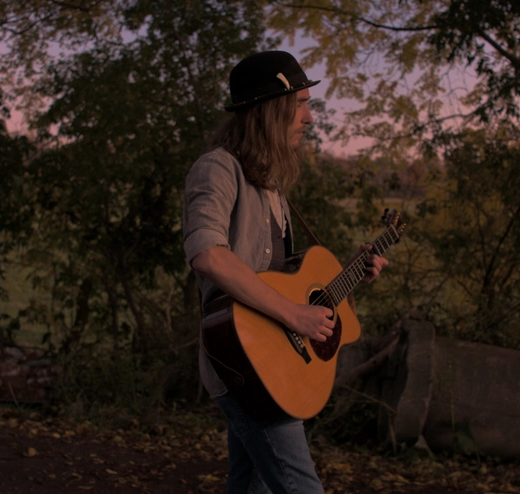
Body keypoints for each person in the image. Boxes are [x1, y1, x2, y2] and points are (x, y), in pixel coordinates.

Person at [182, 50, 388, 494]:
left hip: (272, 364)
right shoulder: (218, 168)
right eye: (301, 105)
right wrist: (295, 316)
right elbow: (208, 254)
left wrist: (353, 272)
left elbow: (285, 281)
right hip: (244, 364)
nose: (309, 119)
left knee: (250, 485)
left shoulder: (270, 184)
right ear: (270, 109)